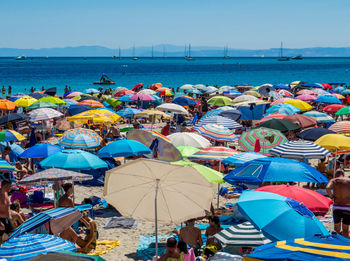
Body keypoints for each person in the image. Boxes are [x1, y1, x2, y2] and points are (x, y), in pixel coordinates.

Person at [326, 170, 350, 237]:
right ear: (343, 174)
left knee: (337, 228)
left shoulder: (334, 180)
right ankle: (344, 245)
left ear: (336, 175)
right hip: (347, 207)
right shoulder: (348, 181)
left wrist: (332, 196)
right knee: (345, 228)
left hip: (337, 206)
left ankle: (337, 244)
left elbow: (327, 187)